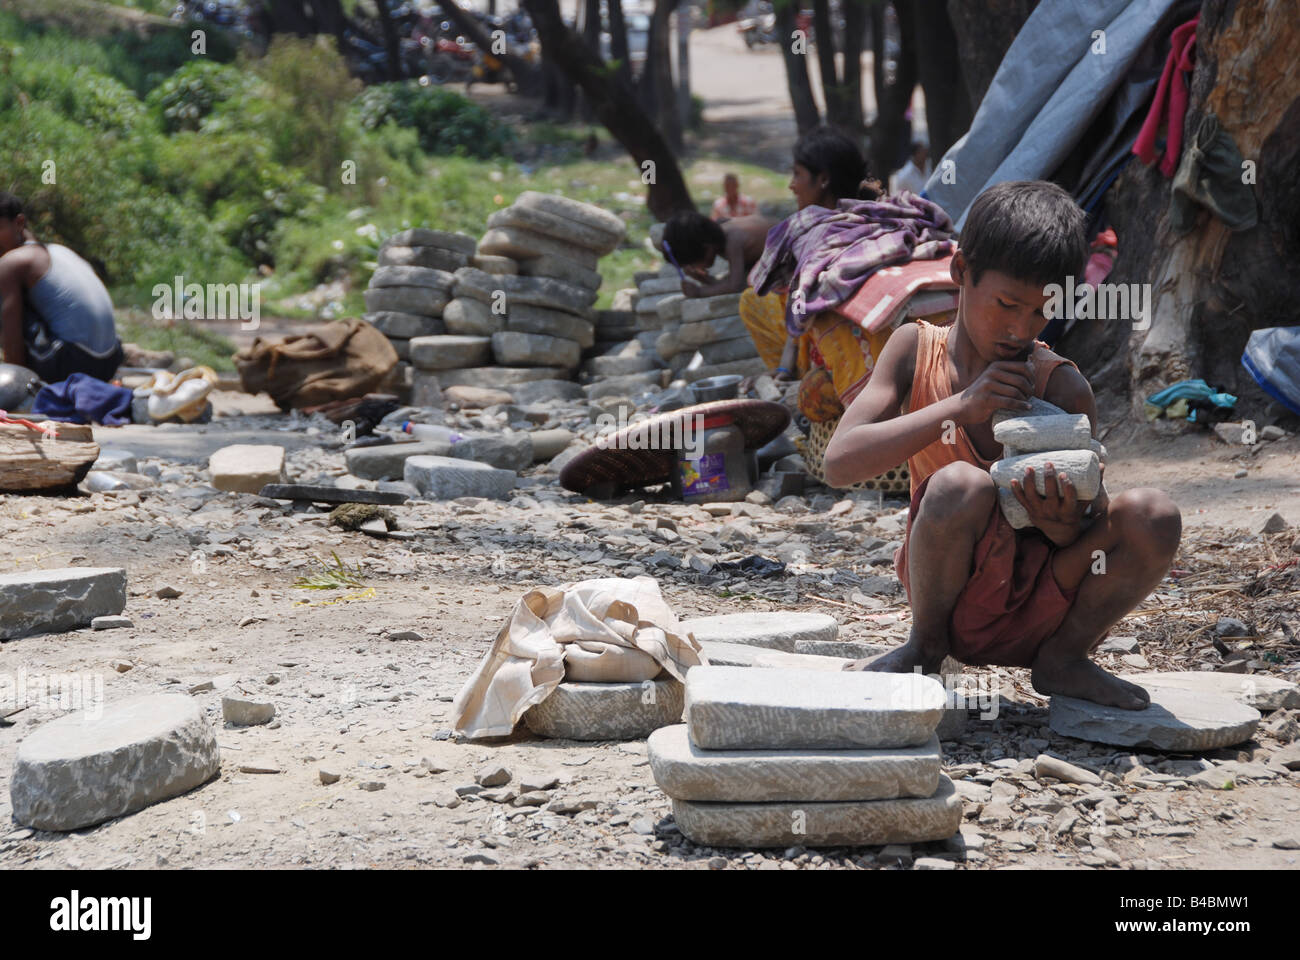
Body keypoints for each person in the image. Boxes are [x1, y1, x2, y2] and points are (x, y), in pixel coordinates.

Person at [823, 180, 1181, 709]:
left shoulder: (1060, 385)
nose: (1019, 328)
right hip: (953, 597)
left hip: (1048, 604)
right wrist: (961, 406)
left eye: (1040, 313)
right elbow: (839, 463)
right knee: (958, 484)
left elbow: (1091, 522)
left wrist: (1061, 523)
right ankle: (924, 648)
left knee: (1154, 514)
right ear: (961, 272)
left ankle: (1065, 660)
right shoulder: (913, 349)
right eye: (1007, 304)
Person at [0, 192, 123, 382]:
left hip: (75, 364)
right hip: (111, 360)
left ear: (19, 223)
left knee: (8, 302)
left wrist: (14, 383)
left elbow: (11, 335)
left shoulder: (13, 262)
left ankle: (18, 383)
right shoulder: (60, 251)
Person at [661, 209, 774, 300]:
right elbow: (729, 283)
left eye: (693, 263)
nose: (693, 268)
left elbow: (735, 286)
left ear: (707, 249)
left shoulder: (733, 241)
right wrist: (706, 279)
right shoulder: (720, 234)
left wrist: (699, 292)